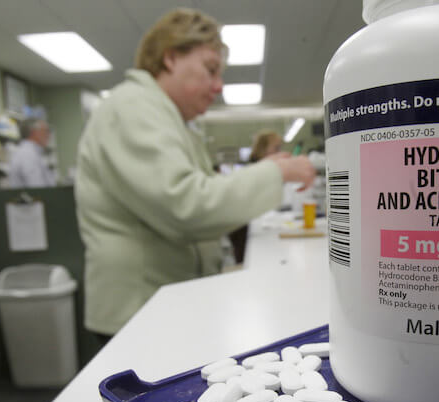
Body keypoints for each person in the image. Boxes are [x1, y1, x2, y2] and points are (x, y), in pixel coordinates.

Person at [75, 8, 315, 340]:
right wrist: (275, 172)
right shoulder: (132, 107)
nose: (218, 86)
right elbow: (188, 206)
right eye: (210, 69)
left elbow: (203, 191)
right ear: (171, 57)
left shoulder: (170, 119)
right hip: (139, 316)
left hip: (161, 306)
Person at [229, 130, 285, 263]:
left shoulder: (259, 169)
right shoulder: (254, 171)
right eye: (276, 148)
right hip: (243, 232)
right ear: (263, 149)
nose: (279, 153)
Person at [7, 118, 55, 188]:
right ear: (34, 132)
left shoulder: (30, 152)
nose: (49, 135)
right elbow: (38, 188)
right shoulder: (27, 154)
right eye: (46, 131)